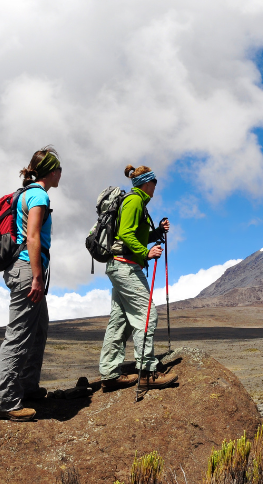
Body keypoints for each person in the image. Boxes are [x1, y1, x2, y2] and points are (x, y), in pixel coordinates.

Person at [0, 146, 62, 421]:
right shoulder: (38, 195)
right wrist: (36, 276)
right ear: (52, 171)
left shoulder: (26, 193)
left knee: (39, 328)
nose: (61, 174)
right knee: (19, 335)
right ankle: (6, 402)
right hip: (26, 270)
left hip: (22, 268)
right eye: (59, 169)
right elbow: (32, 237)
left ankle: (28, 387)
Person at [99, 165, 179, 392]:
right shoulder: (134, 201)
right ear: (147, 183)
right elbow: (125, 234)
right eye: (154, 182)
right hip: (126, 267)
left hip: (120, 266)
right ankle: (147, 372)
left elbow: (134, 234)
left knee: (120, 321)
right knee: (147, 315)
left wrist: (156, 233)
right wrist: (146, 253)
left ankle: (109, 374)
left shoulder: (137, 203)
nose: (156, 187)